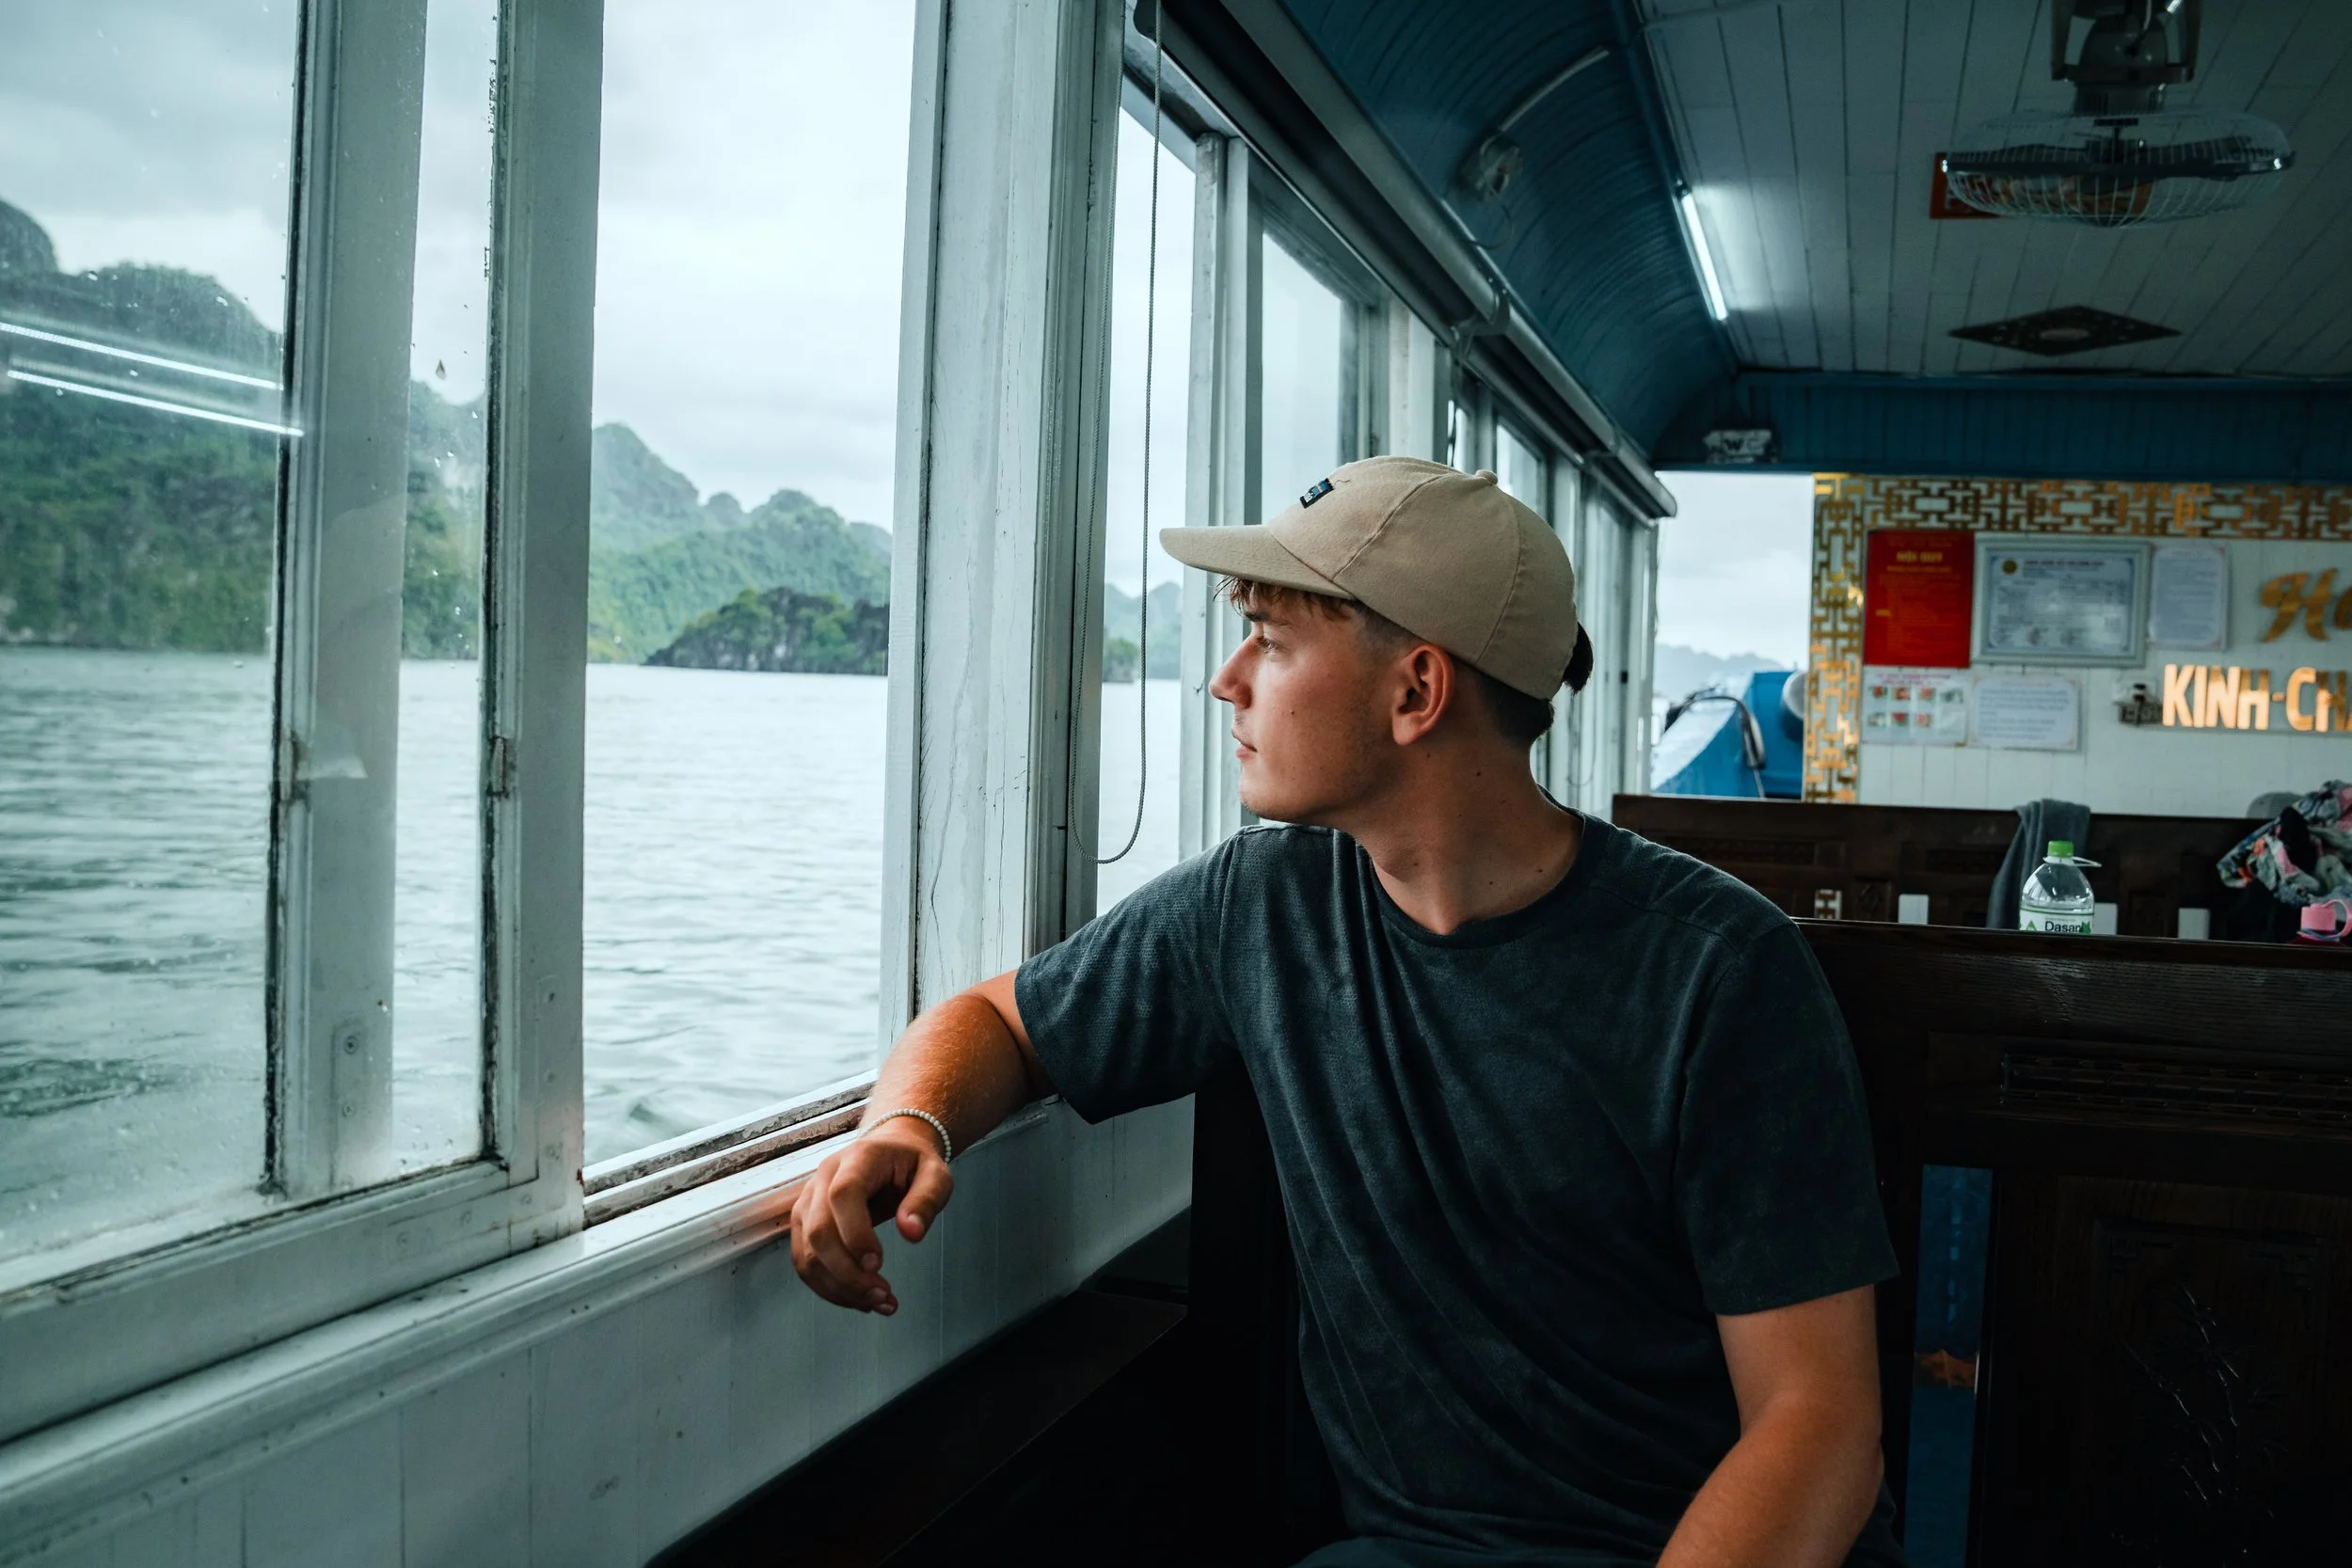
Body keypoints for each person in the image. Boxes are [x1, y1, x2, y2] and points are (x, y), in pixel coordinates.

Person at [790, 456, 1904, 1567]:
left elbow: (1819, 1425)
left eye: (1270, 641)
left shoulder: (1720, 972)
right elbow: (1004, 1020)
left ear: (1416, 691)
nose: (1226, 679)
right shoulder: (1258, 907)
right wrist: (907, 1124)